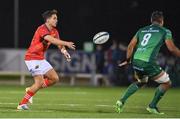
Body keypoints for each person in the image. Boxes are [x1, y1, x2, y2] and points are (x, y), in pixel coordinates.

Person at [115, 11, 180, 114]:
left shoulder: (141, 30)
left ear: (151, 20)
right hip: (148, 62)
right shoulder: (165, 31)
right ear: (162, 21)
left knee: (142, 81)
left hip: (136, 61)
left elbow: (130, 46)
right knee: (167, 83)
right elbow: (171, 48)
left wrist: (128, 60)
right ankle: (152, 106)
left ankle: (121, 101)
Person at [17, 9, 76, 110]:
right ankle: (21, 104)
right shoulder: (42, 29)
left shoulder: (55, 31)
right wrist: (67, 43)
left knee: (54, 79)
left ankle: (30, 90)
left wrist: (65, 52)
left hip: (40, 58)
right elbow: (51, 40)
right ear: (48, 20)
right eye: (54, 18)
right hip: (32, 58)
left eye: (56, 18)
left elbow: (58, 44)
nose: (56, 20)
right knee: (39, 82)